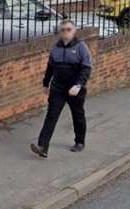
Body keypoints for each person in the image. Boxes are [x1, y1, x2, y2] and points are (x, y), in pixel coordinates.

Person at [31, 19, 92, 158]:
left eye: (68, 29)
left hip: (75, 88)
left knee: (78, 115)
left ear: (74, 31)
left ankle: (80, 141)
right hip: (58, 87)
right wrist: (46, 84)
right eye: (63, 29)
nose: (65, 32)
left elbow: (86, 68)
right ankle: (43, 146)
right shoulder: (55, 48)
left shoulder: (81, 46)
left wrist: (78, 85)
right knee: (51, 115)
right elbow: (50, 67)